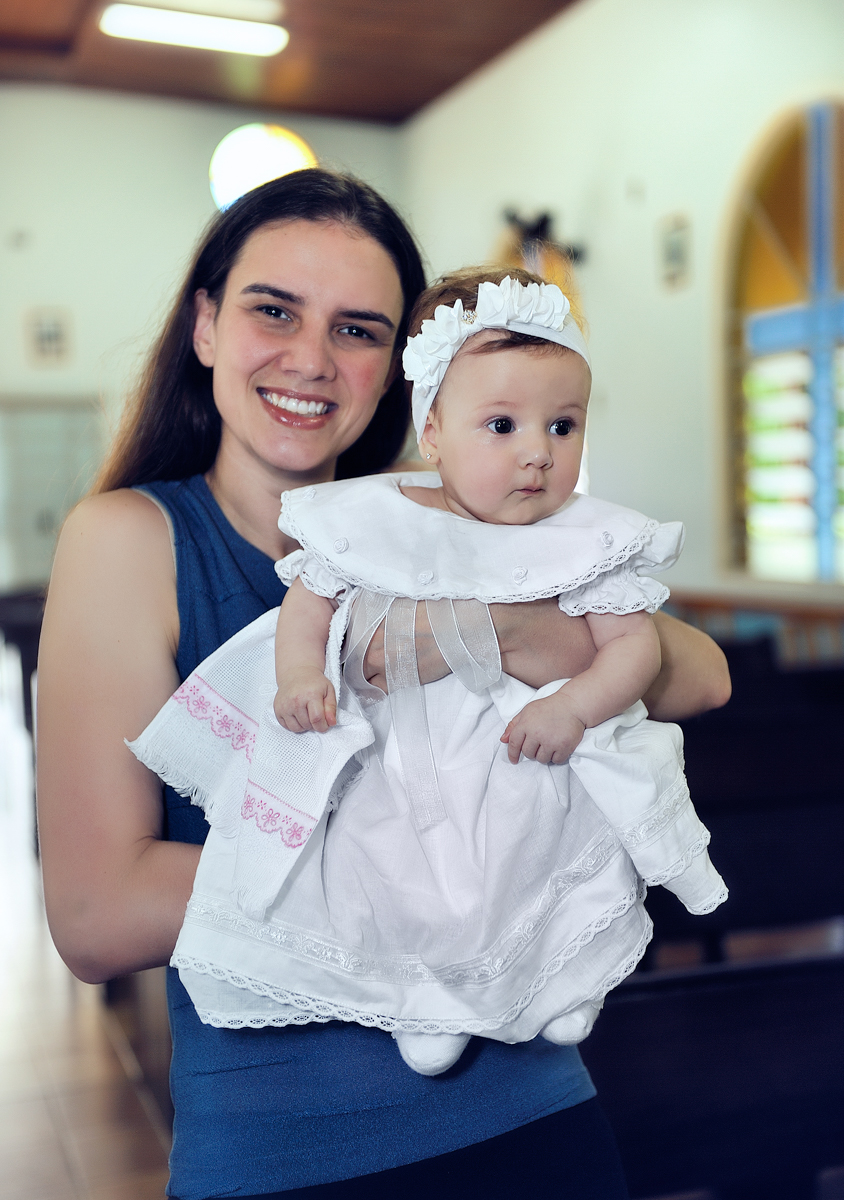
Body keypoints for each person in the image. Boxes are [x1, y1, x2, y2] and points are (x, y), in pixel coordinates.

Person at [36, 168, 731, 1200]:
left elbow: (701, 674)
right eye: (274, 310)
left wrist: (512, 634)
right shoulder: (135, 539)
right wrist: (445, 874)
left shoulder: (450, 513)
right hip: (298, 1153)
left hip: (537, 1104)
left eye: (358, 329)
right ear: (207, 327)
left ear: (403, 371)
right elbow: (98, 913)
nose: (311, 359)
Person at [129, 268, 727, 1080]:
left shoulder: (586, 538)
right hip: (411, 757)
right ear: (435, 431)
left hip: (530, 746)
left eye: (562, 426)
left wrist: (578, 708)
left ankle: (565, 977)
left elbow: (639, 649)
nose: (536, 455)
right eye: (503, 426)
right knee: (393, 861)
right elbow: (310, 603)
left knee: (553, 841)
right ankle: (426, 1003)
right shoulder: (377, 516)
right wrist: (300, 677)